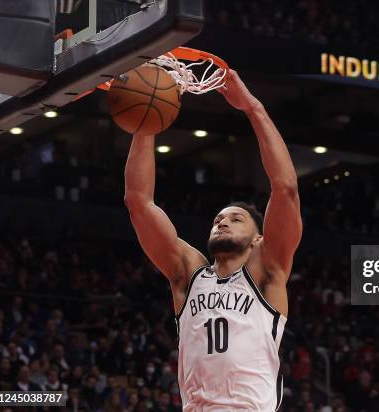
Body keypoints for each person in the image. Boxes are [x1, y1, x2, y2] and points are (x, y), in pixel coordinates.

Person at [124, 69, 302, 411]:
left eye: (236, 219)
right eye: (218, 218)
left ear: (257, 240)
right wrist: (145, 123)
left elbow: (286, 189)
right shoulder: (188, 273)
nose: (222, 221)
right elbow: (139, 202)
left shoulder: (268, 271)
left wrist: (252, 108)